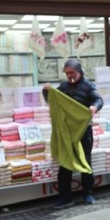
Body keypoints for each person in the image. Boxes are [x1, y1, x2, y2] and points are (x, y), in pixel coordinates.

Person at [43, 57, 103, 209]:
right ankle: (65, 196)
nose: (69, 75)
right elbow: (52, 100)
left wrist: (94, 108)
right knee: (65, 162)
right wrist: (46, 91)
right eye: (67, 72)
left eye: (72, 72)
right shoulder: (63, 87)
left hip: (83, 131)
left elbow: (98, 99)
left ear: (79, 71)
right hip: (67, 132)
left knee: (85, 161)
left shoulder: (88, 86)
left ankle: (87, 193)